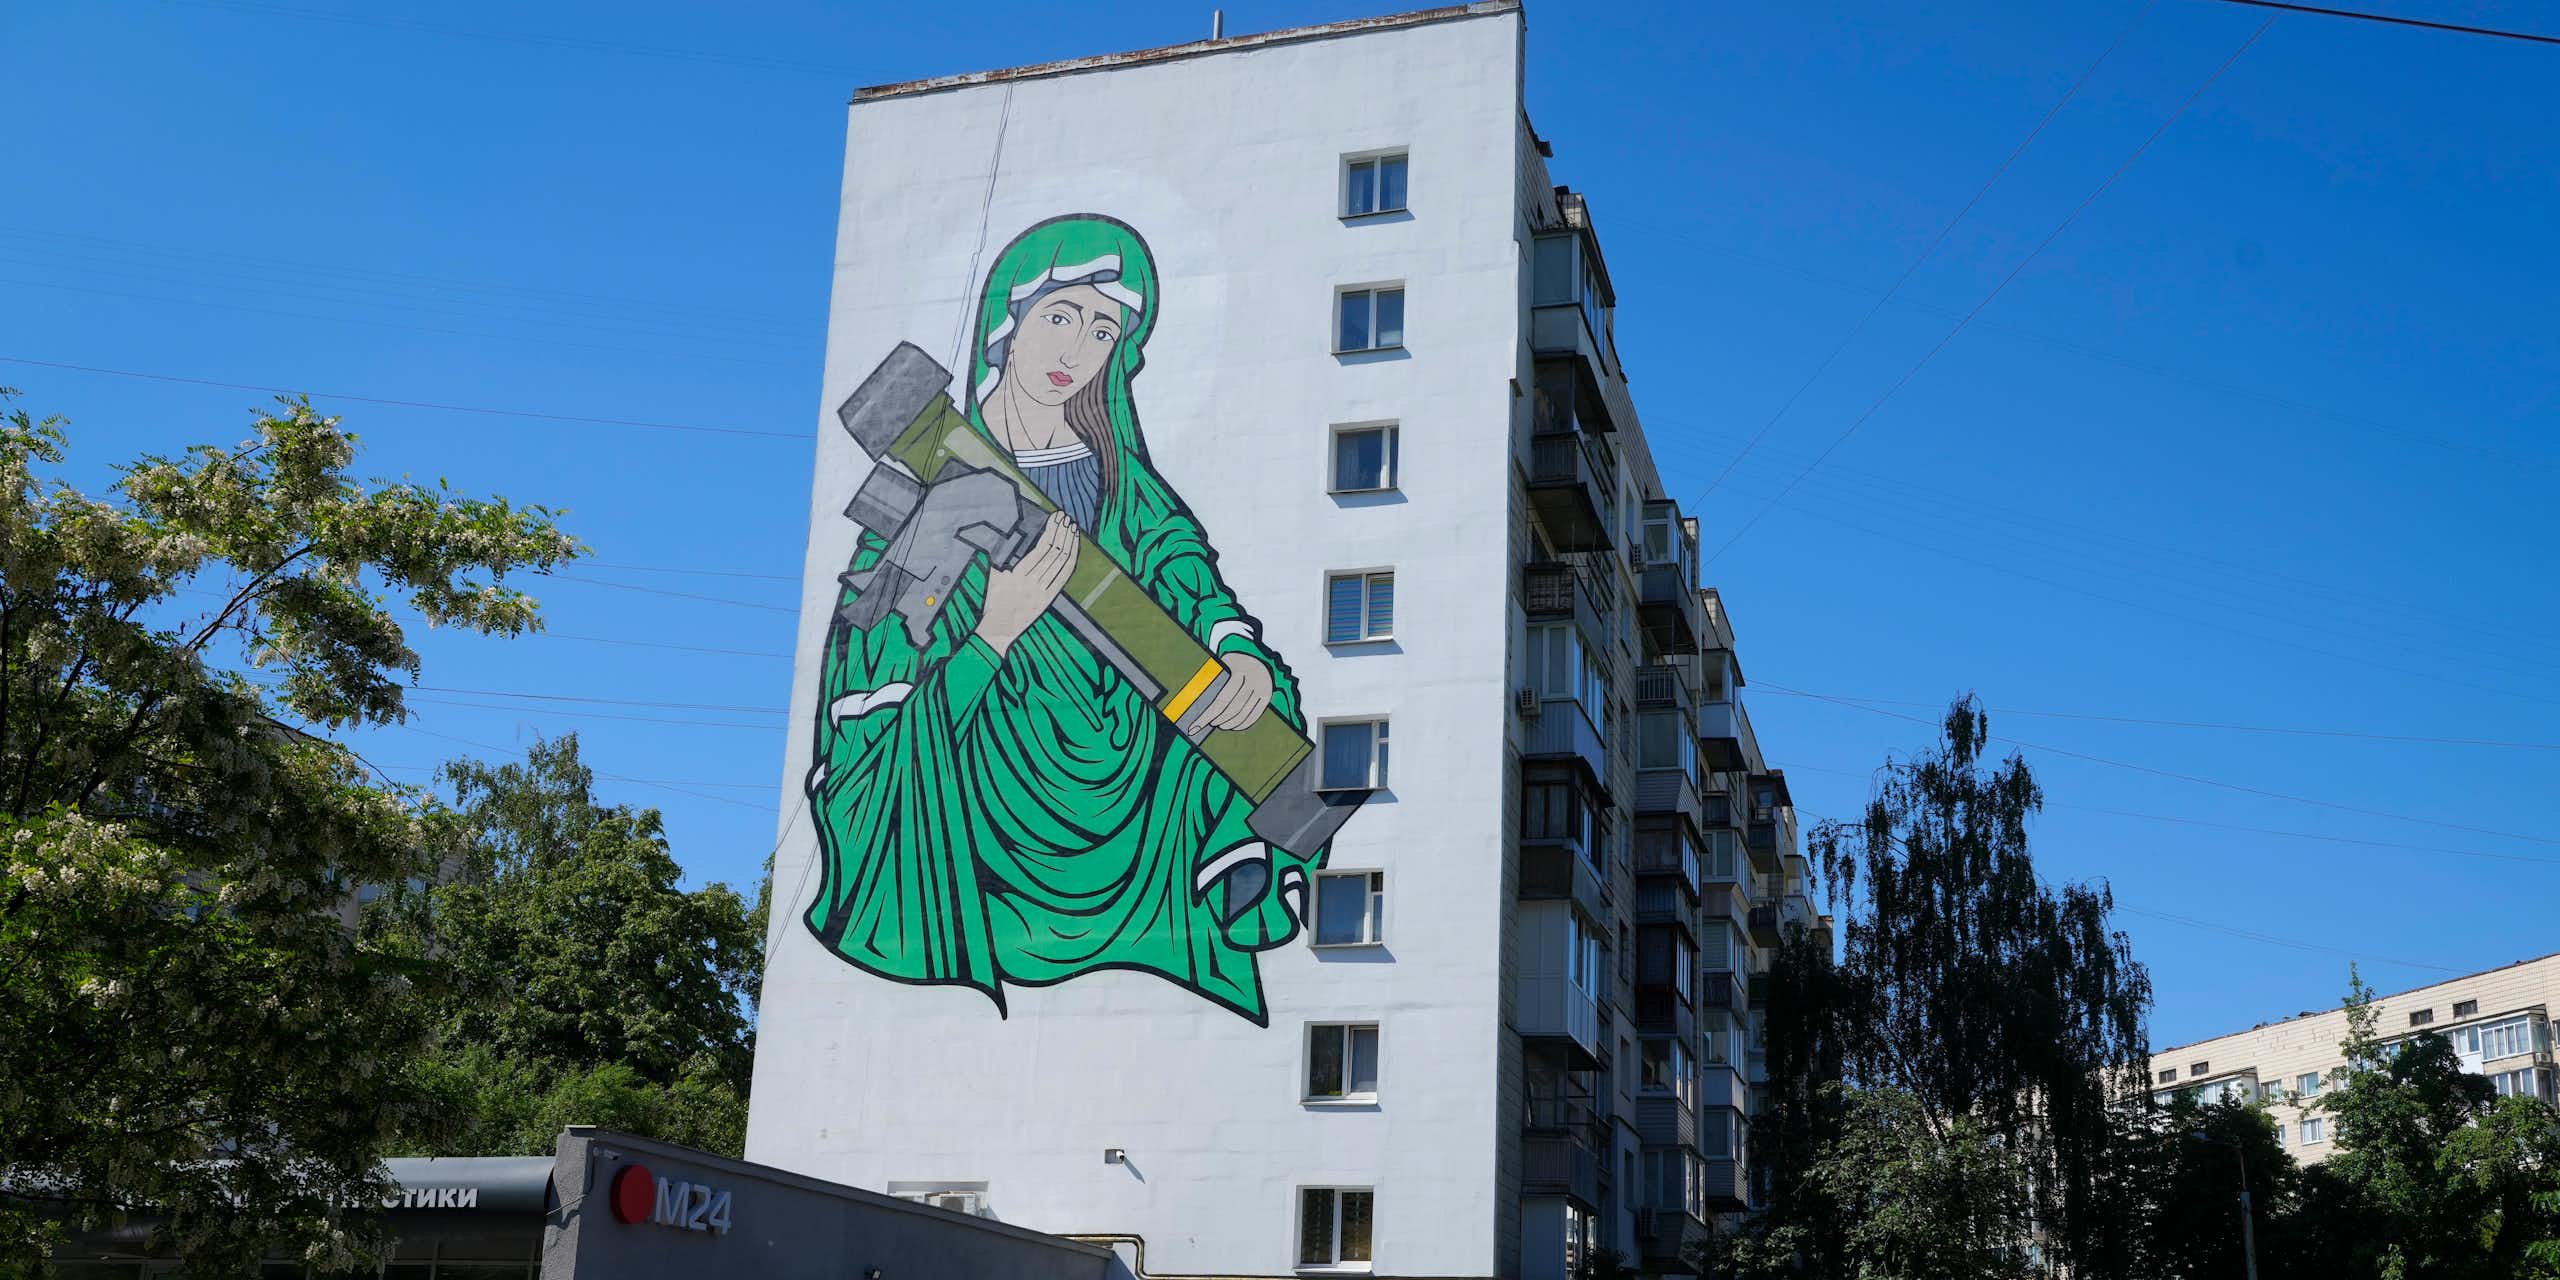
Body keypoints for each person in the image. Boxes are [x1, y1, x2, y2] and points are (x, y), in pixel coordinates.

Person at [803, 214, 1318, 1025]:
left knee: (1263, 709)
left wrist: (1238, 650)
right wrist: (992, 636)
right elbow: (875, 658)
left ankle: (1234, 873)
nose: (1077, 350)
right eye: (1060, 316)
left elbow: (1187, 574)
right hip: (985, 754)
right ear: (1009, 323)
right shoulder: (935, 474)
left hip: (1131, 738)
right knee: (896, 752)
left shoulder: (1123, 482)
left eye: (1104, 328)